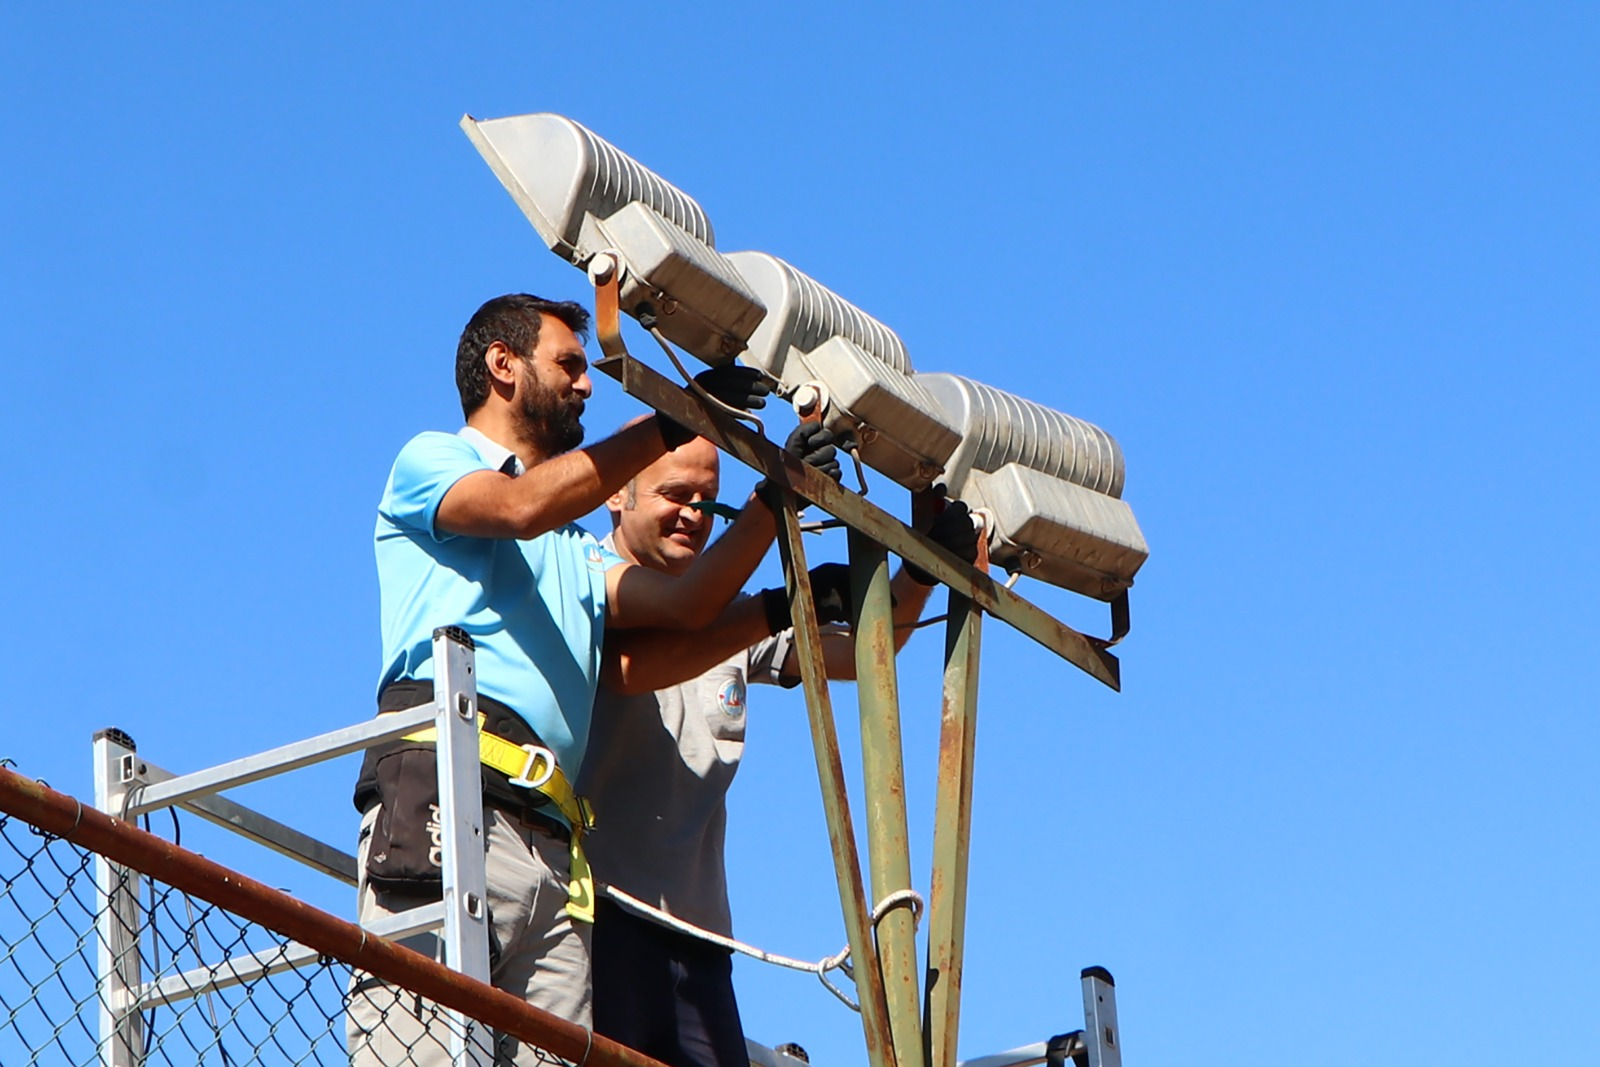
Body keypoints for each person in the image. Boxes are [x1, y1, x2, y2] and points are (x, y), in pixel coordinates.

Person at [346, 294, 840, 1067]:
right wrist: (674, 423)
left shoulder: (575, 550)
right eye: (569, 364)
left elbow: (686, 607)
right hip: (448, 792)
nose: (585, 384)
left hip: (551, 843)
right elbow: (518, 506)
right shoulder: (434, 460)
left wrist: (774, 505)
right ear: (502, 365)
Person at [579, 433, 980, 1067]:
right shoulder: (579, 589)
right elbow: (652, 638)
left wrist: (919, 572)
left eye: (708, 501)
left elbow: (858, 654)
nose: (692, 514)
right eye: (674, 495)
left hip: (699, 938)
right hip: (598, 916)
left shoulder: (731, 619)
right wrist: (778, 499)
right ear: (616, 495)